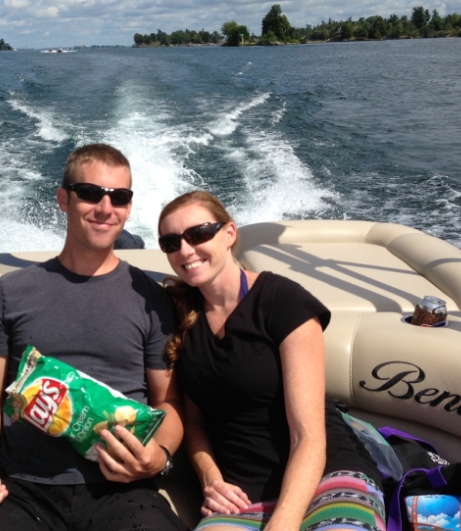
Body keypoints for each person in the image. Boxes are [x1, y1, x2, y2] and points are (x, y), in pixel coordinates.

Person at [0, 144, 187, 531]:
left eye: (119, 197)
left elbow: (168, 401)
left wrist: (159, 457)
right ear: (63, 199)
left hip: (123, 491)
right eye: (91, 193)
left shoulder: (152, 299)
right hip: (22, 488)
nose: (106, 208)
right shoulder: (10, 293)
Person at [157, 191, 386, 531]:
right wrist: (210, 478)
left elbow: (307, 436)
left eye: (199, 233)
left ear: (229, 233)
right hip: (239, 492)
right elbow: (195, 421)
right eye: (171, 242)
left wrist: (284, 523)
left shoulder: (282, 302)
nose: (186, 250)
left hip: (324, 474)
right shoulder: (177, 315)